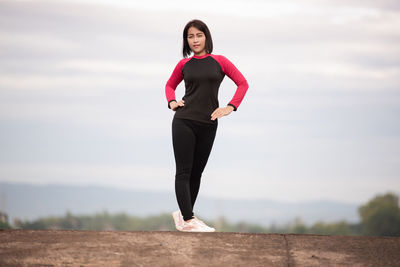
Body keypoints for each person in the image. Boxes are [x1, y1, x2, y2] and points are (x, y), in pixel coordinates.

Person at [165, 19, 249, 232]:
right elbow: (169, 85)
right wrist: (172, 102)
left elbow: (242, 83)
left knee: (197, 172)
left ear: (206, 37)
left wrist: (230, 107)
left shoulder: (220, 61)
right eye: (190, 36)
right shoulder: (184, 65)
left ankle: (184, 216)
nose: (195, 40)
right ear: (186, 40)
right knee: (183, 171)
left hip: (209, 124)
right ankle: (189, 218)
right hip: (184, 121)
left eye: (198, 35)